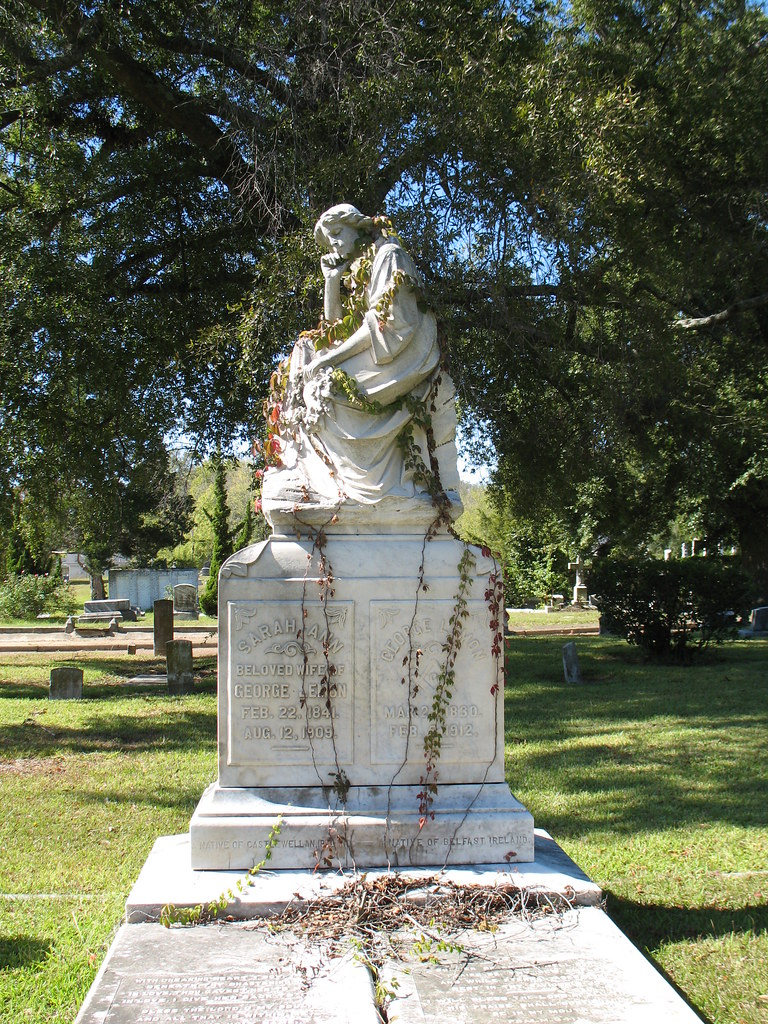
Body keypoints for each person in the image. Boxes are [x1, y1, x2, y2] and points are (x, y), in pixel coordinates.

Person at [262, 204, 459, 522]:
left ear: (358, 226)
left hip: (406, 355)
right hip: (386, 349)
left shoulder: (390, 256)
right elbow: (335, 333)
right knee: (305, 351)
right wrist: (332, 281)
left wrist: (331, 359)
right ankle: (303, 473)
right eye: (330, 241)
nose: (335, 245)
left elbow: (388, 327)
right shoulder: (362, 270)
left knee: (328, 388)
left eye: (338, 235)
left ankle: (336, 485)